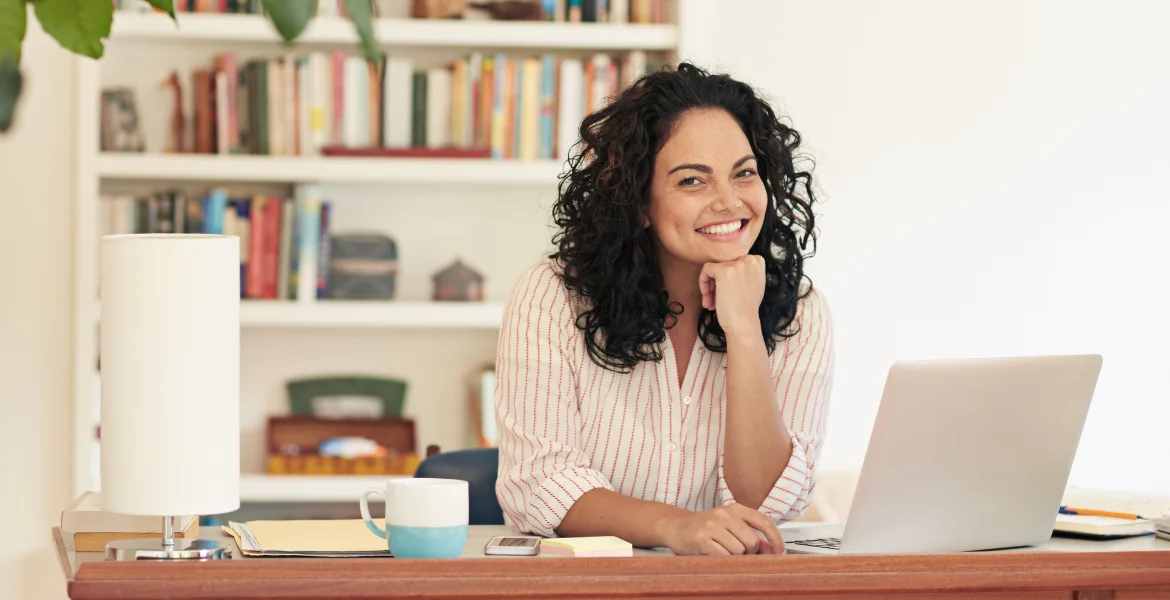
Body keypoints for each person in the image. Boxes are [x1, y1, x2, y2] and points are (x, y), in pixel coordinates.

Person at [493, 62, 834, 556]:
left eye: (744, 173)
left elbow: (764, 503)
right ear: (639, 204)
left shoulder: (800, 313)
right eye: (692, 181)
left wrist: (744, 332)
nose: (728, 201)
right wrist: (677, 527)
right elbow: (539, 484)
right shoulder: (552, 296)